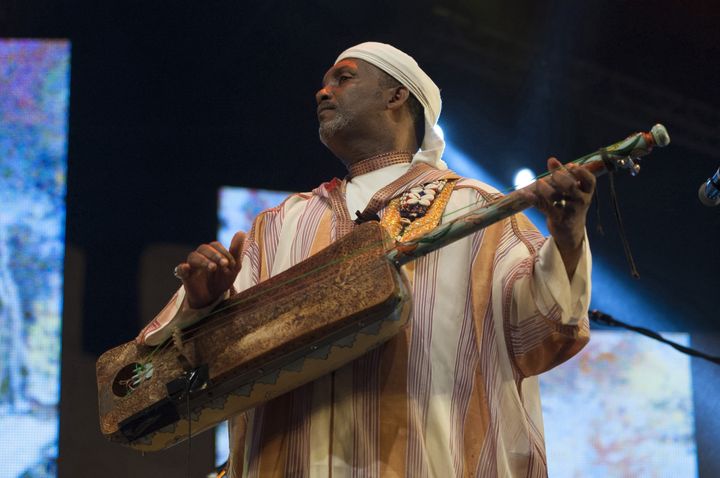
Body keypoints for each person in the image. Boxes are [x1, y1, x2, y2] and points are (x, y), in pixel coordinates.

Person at [137, 42, 594, 477]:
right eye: (325, 82)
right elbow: (186, 370)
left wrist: (568, 238)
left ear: (396, 94)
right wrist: (203, 305)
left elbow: (544, 325)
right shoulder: (278, 225)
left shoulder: (475, 208)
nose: (323, 90)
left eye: (344, 79)